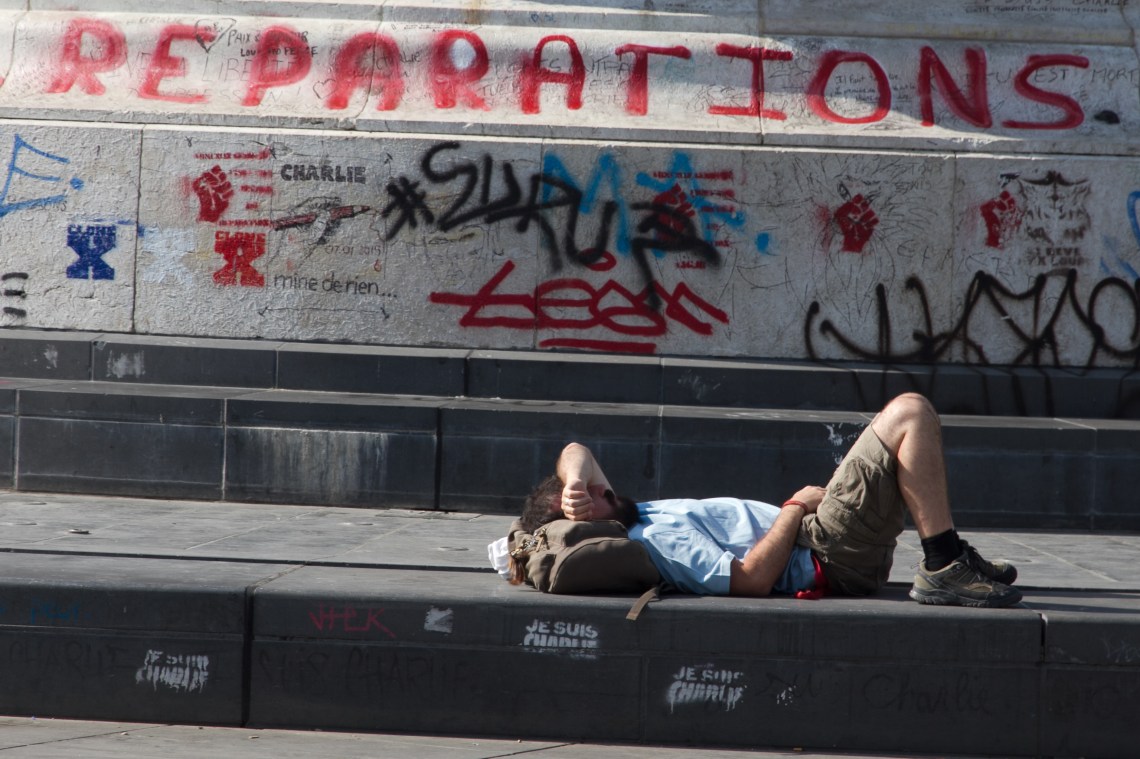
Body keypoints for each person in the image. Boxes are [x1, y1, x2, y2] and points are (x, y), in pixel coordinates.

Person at [516, 393, 1020, 608]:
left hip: (824, 538)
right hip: (824, 549)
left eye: (594, 488)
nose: (604, 488)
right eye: (592, 498)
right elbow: (751, 581)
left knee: (906, 424)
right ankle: (943, 564)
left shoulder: (631, 512)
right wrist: (795, 508)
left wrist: (574, 484)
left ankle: (947, 554)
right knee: (910, 412)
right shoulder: (653, 538)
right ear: (588, 527)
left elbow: (576, 451)